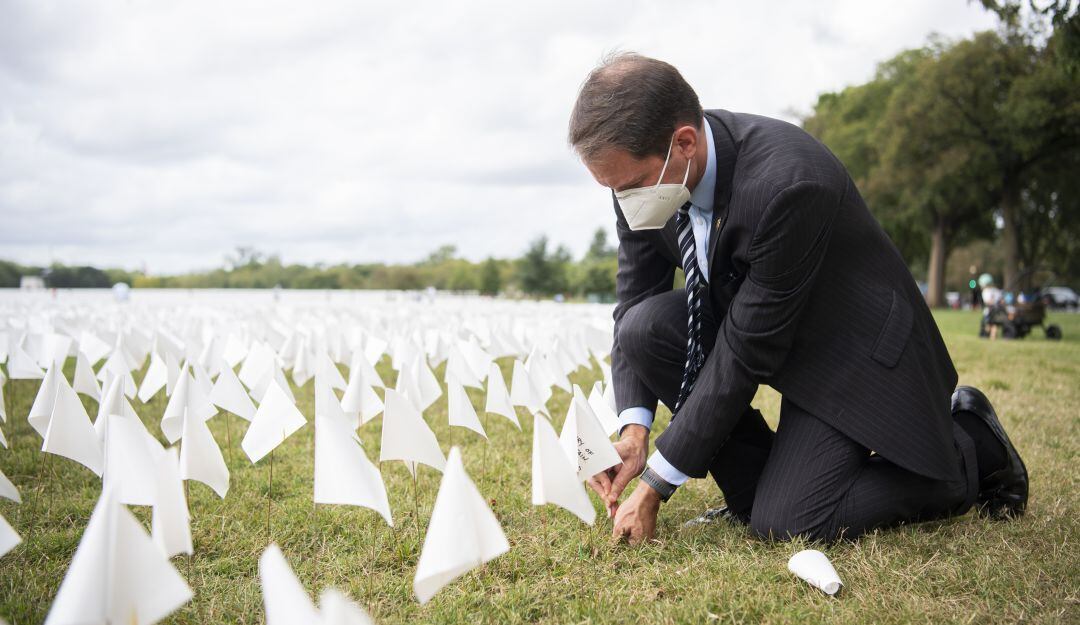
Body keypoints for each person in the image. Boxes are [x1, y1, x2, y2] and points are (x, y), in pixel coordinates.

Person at [567, 53, 1028, 545]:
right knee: (644, 328)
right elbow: (635, 298)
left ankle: (967, 453)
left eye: (631, 186)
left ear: (684, 142)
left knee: (788, 524)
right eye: (613, 190)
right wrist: (634, 430)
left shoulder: (786, 185)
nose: (625, 201)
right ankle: (766, 485)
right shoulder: (640, 178)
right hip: (774, 334)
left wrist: (656, 484)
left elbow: (744, 352)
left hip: (852, 351)